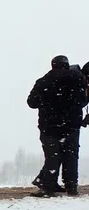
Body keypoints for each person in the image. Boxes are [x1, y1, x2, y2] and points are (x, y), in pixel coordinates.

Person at [27, 55, 87, 195]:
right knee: (71, 156)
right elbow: (83, 101)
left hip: (49, 126)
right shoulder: (77, 80)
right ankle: (71, 187)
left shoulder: (43, 81)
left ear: (52, 65)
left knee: (53, 156)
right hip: (71, 126)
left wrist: (48, 101)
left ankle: (48, 187)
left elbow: (31, 102)